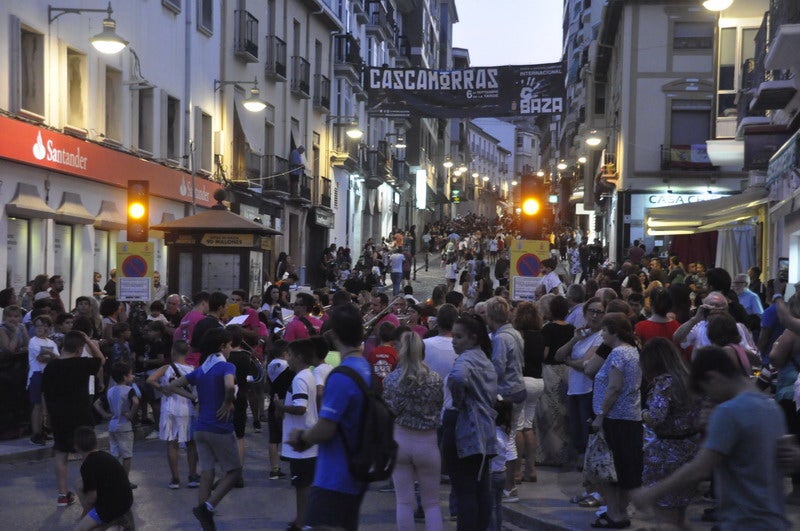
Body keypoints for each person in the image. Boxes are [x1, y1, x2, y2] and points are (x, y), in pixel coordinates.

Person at [631, 345, 789, 530]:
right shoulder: (771, 407)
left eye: (706, 390)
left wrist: (651, 493)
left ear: (713, 377)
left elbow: (700, 469)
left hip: (743, 521)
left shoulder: (728, 412)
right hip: (773, 519)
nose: (708, 398)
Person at [285, 303, 372, 531]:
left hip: (335, 473)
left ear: (333, 335)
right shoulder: (364, 367)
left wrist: (302, 437)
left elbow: (326, 427)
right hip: (357, 466)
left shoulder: (341, 376)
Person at [165, 327, 241, 531]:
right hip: (220, 426)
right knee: (234, 471)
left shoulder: (201, 370)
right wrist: (227, 402)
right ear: (223, 346)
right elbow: (229, 386)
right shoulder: (227, 367)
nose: (231, 349)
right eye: (230, 345)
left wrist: (194, 398)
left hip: (200, 427)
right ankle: (207, 507)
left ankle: (205, 519)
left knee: (207, 472)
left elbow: (172, 386)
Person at [382, 331, 444, 531]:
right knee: (432, 503)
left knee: (404, 502)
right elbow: (439, 406)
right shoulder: (435, 379)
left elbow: (388, 411)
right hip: (427, 442)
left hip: (400, 440)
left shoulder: (390, 380)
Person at [639, 338, 702, 527]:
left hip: (666, 453)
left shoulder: (663, 383)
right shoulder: (688, 378)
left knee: (665, 516)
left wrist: (643, 413)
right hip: (691, 449)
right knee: (681, 511)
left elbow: (656, 416)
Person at [588, 313, 642, 529]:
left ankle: (614, 513)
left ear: (615, 332)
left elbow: (614, 387)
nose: (601, 334)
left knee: (609, 469)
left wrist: (600, 415)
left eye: (604, 330)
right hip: (630, 417)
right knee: (625, 468)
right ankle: (620, 511)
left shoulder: (619, 353)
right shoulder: (633, 350)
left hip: (616, 418)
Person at [444, 315, 498, 530]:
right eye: (453, 336)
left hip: (466, 427)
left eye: (458, 336)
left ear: (473, 338)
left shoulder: (466, 359)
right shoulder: (484, 358)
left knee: (465, 491)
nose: (453, 341)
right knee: (480, 489)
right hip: (485, 429)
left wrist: (458, 401)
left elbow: (457, 378)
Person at [42, 330, 104, 507]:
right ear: (79, 349)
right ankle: (92, 491)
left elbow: (44, 394)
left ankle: (62, 494)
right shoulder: (83, 363)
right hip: (81, 414)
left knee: (61, 453)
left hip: (59, 416)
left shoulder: (51, 367)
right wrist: (90, 342)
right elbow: (101, 360)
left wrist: (46, 416)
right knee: (88, 453)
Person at [555, 297, 605, 473]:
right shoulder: (581, 334)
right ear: (584, 314)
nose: (594, 315)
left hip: (589, 389)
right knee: (575, 429)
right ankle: (581, 461)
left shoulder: (601, 338)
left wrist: (569, 362)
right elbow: (558, 355)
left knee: (585, 429)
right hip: (574, 389)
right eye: (591, 311)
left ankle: (588, 466)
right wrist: (574, 340)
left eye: (599, 311)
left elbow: (586, 364)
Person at [275, 338, 319, 531]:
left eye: (290, 355)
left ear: (299, 357)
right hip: (306, 440)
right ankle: (302, 519)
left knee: (302, 487)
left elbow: (300, 408)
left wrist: (280, 406)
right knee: (304, 485)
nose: (288, 359)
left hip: (301, 442)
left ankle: (303, 523)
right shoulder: (307, 375)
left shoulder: (300, 378)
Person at [146, 339, 200, 490]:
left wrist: (161, 388)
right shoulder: (192, 370)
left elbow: (150, 379)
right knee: (191, 443)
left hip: (169, 408)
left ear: (172, 352)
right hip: (187, 409)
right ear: (187, 353)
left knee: (172, 443)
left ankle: (175, 478)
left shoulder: (166, 367)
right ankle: (192, 475)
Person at [73, 426, 135, 531]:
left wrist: (85, 515)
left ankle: (116, 525)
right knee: (79, 483)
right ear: (96, 443)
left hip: (110, 508)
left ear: (76, 447)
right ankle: (117, 523)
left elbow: (92, 498)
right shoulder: (103, 455)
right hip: (126, 502)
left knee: (79, 529)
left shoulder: (87, 465)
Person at [105, 361, 140, 489]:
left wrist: (105, 414)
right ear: (125, 377)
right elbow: (136, 402)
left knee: (114, 454)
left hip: (112, 425)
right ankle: (124, 481)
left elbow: (97, 404)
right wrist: (130, 414)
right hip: (124, 425)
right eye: (130, 374)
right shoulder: (129, 390)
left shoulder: (110, 390)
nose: (132, 376)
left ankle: (112, 479)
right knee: (127, 455)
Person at [27, 314, 59, 445]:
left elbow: (56, 357)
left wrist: (50, 355)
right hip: (36, 373)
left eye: (45, 326)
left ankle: (43, 429)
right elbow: (41, 358)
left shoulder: (51, 342)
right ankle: (36, 433)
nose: (42, 328)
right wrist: (51, 355)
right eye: (39, 326)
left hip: (48, 374)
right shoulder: (33, 341)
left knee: (46, 406)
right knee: (37, 405)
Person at [489, 400, 513, 531]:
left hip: (493, 474)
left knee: (491, 506)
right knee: (497, 505)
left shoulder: (494, 436)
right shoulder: (504, 433)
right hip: (502, 473)